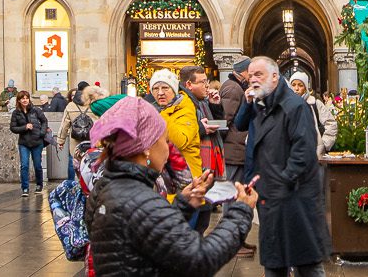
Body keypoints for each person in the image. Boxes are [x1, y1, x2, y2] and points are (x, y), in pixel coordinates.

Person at [83, 94, 258, 277]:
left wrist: (183, 204)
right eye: (165, 140)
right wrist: (240, 212)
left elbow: (145, 232)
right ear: (147, 148)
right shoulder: (142, 200)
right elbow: (199, 260)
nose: (168, 149)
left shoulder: (106, 185)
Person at [245, 55, 330, 277]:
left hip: (295, 200)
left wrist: (281, 182)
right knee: (274, 264)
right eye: (250, 75)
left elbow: (303, 152)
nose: (252, 79)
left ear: (275, 77)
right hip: (272, 201)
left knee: (307, 265)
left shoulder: (295, 106)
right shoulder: (262, 107)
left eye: (258, 74)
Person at [287, 69, 338, 155]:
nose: (296, 88)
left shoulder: (315, 103)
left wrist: (324, 145)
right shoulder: (285, 105)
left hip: (314, 153)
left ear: (305, 88)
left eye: (300, 85)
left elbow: (331, 123)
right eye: (293, 85)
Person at [11, 89, 50, 194]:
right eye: (22, 98)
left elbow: (44, 121)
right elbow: (13, 128)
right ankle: (25, 187)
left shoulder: (36, 110)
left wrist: (41, 133)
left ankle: (39, 185)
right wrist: (25, 127)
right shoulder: (16, 113)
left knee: (37, 165)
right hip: (24, 142)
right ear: (18, 100)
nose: (25, 100)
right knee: (24, 165)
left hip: (37, 141)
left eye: (26, 98)